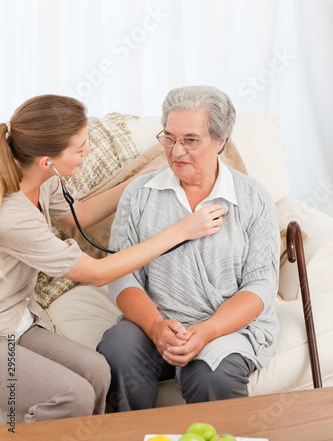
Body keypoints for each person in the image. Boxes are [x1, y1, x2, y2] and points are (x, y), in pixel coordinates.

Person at [0, 94, 224, 423]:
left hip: (17, 322)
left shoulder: (41, 180)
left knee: (97, 372)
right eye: (79, 148)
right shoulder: (13, 216)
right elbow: (98, 273)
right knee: (72, 395)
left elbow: (79, 215)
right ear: (47, 160)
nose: (87, 152)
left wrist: (137, 182)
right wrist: (182, 230)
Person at [97, 85, 281, 412]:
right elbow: (122, 276)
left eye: (191, 140)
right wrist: (155, 327)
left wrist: (207, 331)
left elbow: (261, 285)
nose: (177, 151)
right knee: (118, 348)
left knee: (213, 375)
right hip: (155, 322)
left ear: (221, 140)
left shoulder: (254, 198)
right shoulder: (140, 194)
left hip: (224, 327)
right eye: (169, 138)